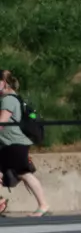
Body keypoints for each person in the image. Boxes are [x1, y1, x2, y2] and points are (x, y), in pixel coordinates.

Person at [0, 71, 49, 216]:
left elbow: (1, 123)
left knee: (24, 174)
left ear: (4, 83)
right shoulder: (10, 98)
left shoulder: (8, 100)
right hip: (7, 144)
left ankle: (43, 204)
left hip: (15, 144)